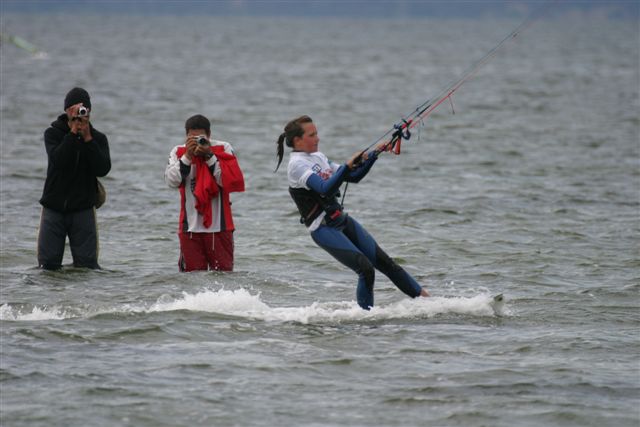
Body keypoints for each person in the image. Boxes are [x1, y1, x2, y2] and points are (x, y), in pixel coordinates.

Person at [275, 115, 429, 310]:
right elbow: (325, 188)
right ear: (297, 140)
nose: (318, 138)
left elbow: (353, 177)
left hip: (340, 220)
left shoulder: (318, 157)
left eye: (317, 133)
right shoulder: (296, 165)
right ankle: (365, 319)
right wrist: (347, 166)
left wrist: (374, 154)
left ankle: (428, 301)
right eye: (312, 135)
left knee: (385, 263)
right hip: (322, 228)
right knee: (365, 269)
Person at [37, 87, 111, 270]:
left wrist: (87, 139)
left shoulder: (97, 138)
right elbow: (59, 160)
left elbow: (103, 169)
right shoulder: (53, 134)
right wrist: (71, 134)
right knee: (47, 267)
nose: (80, 113)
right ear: (67, 111)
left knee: (87, 267)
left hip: (83, 209)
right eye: (75, 109)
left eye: (84, 110)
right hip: (53, 208)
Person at [165, 114, 245, 272]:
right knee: (191, 279)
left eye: (200, 137)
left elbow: (228, 181)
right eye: (192, 138)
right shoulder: (178, 151)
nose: (196, 142)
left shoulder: (223, 148)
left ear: (209, 135)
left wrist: (209, 155)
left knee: (224, 278)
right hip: (190, 228)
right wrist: (187, 156)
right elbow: (171, 181)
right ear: (186, 136)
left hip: (220, 227)